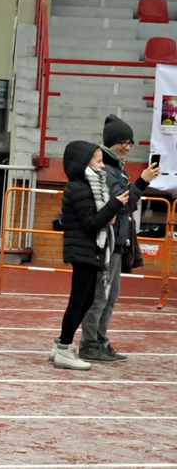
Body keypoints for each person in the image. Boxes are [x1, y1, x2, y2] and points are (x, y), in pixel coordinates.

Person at [78, 115, 160, 363]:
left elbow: (124, 204)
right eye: (122, 142)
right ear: (110, 143)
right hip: (107, 242)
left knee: (109, 297)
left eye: (130, 142)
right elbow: (121, 204)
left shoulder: (117, 169)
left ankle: (99, 341)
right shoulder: (109, 171)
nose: (126, 147)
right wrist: (142, 182)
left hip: (116, 241)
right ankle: (89, 343)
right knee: (101, 296)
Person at [50, 140, 128, 370]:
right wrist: (113, 205)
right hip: (83, 249)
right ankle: (64, 347)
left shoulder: (89, 185)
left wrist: (109, 211)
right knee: (79, 300)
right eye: (98, 161)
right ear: (84, 163)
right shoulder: (80, 188)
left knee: (86, 299)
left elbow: (95, 218)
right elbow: (91, 222)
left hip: (88, 249)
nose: (102, 166)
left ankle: (61, 344)